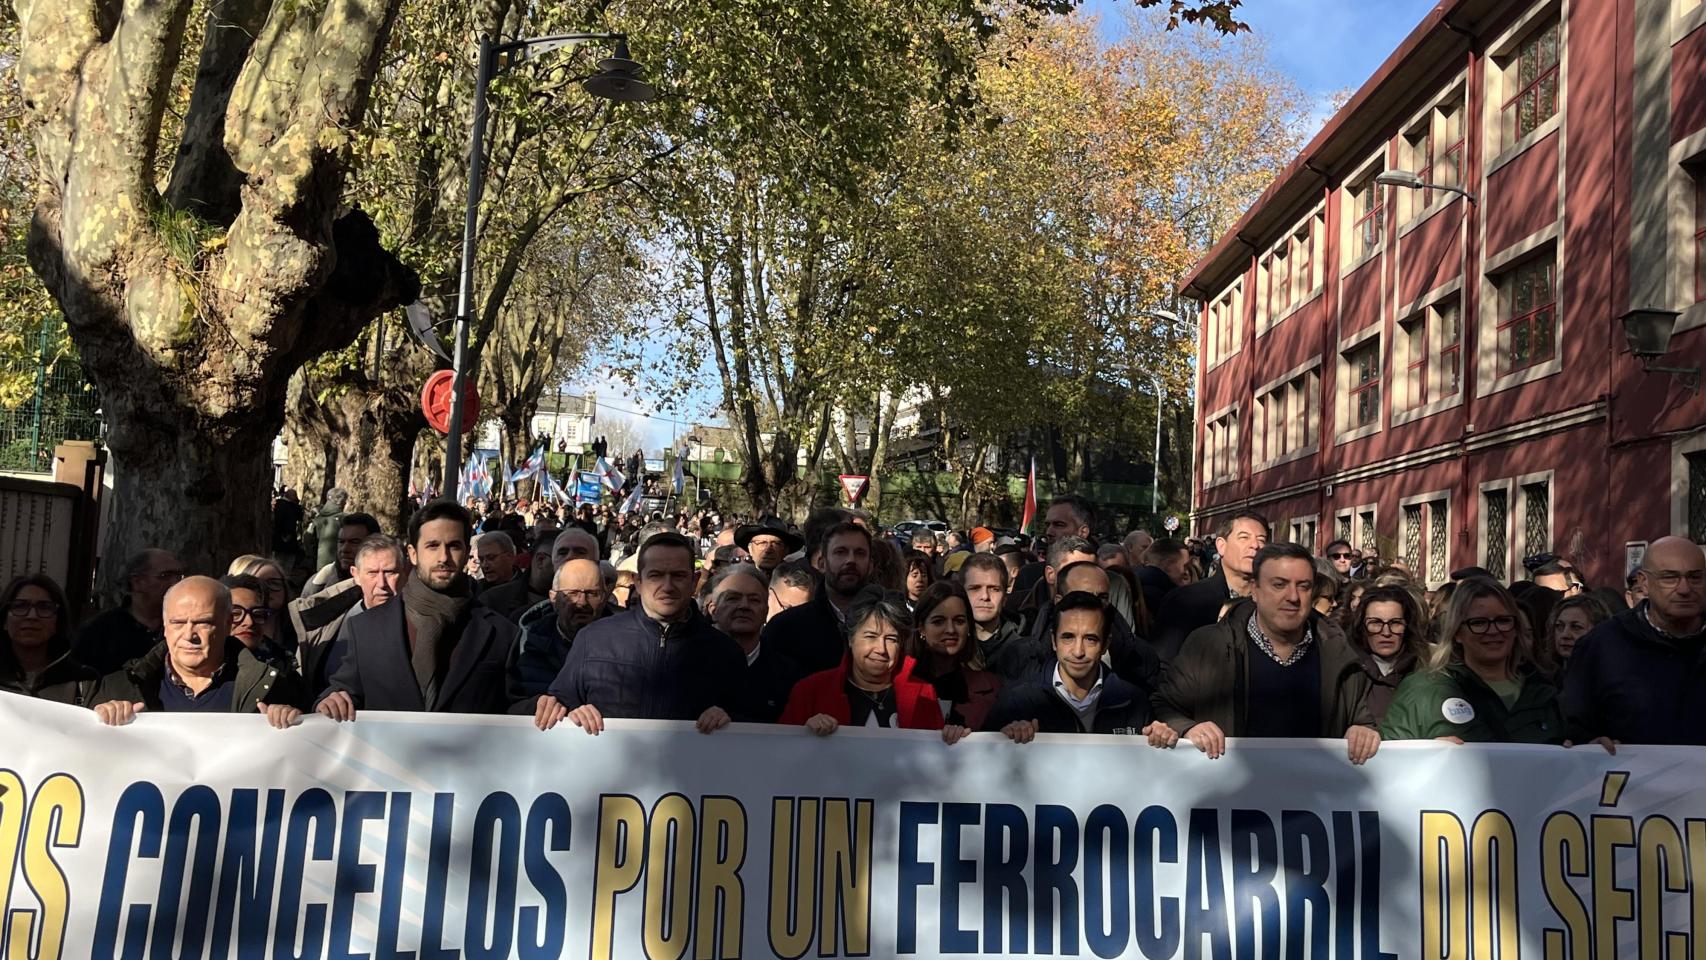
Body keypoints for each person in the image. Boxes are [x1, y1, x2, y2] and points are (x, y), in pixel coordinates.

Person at [1154, 542, 1379, 765]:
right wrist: (1188, 728)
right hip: (1231, 794)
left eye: (1303, 586)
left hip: (1316, 795)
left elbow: (1362, 719)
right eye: (1279, 585)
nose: (1293, 596)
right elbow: (1164, 706)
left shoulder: (1338, 650)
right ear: (1255, 590)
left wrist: (1363, 730)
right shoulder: (1209, 644)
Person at [315, 500, 520, 719]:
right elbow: (343, 692)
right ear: (413, 554)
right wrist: (329, 701)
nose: (443, 557)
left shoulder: (502, 633)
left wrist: (545, 705)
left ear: (468, 552)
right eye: (432, 546)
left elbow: (516, 706)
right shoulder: (366, 628)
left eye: (453, 546)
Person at [534, 533, 747, 735]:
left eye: (678, 576)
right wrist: (572, 713)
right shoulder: (593, 639)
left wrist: (730, 719)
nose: (667, 586)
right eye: (655, 575)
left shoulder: (725, 652)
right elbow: (559, 703)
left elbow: (754, 723)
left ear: (694, 581)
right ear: (638, 581)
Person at [89, 577, 307, 724]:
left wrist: (292, 723)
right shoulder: (120, 687)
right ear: (164, 625)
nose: (189, 635)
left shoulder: (274, 687)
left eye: (203, 623)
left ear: (227, 623)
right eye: (178, 622)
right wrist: (101, 720)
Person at [1380, 578, 1567, 745]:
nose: (1493, 631)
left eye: (1503, 620)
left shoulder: (1543, 690)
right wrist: (1425, 756)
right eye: (1478, 623)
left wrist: (1587, 748)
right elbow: (1391, 764)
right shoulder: (1423, 691)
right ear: (1457, 632)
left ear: (1515, 627)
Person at [1563, 536, 1705, 747]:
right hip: (1627, 777)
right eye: (1669, 578)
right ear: (1644, 583)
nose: (1684, 589)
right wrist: (1587, 744)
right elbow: (1572, 726)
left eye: (1695, 577)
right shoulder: (1602, 645)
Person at [990, 592, 1178, 742]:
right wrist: (1004, 736)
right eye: (1068, 637)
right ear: (1054, 641)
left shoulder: (1134, 701)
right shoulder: (1016, 702)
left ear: (1105, 644)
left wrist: (1158, 737)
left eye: (1090, 639)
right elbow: (983, 763)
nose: (1078, 651)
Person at [779, 592, 962, 741]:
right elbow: (780, 752)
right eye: (870, 636)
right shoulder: (810, 691)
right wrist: (803, 734)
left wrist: (954, 740)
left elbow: (936, 762)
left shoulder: (924, 693)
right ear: (851, 639)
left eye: (891, 639)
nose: (881, 649)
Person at [290, 535, 407, 697]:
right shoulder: (325, 621)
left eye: (390, 572)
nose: (381, 583)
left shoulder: (419, 623)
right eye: (372, 573)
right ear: (356, 575)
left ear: (405, 572)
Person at [1153, 511, 1269, 661]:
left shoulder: (1276, 603)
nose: (1254, 545)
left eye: (1261, 539)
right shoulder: (1185, 601)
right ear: (1221, 546)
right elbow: (1164, 664)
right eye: (1244, 538)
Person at [763, 522, 876, 673]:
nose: (851, 560)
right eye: (840, 552)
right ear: (822, 564)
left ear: (870, 565)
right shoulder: (786, 628)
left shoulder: (891, 625)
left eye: (860, 553)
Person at [707, 564, 803, 722]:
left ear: (765, 611)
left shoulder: (790, 675)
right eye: (733, 598)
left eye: (754, 600)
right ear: (713, 610)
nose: (744, 606)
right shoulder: (687, 664)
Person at [509, 558, 611, 706]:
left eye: (592, 593)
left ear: (603, 597)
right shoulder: (527, 644)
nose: (582, 602)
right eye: (572, 593)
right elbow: (511, 705)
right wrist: (538, 706)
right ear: (553, 598)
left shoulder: (624, 644)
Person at [907, 581, 1000, 730]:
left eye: (959, 621)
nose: (950, 629)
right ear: (921, 628)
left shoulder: (992, 687)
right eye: (938, 622)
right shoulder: (895, 684)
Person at [75, 548, 182, 675]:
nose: (176, 583)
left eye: (179, 576)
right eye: (165, 576)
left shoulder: (186, 627)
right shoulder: (99, 632)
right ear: (137, 582)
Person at [0, 574, 99, 704]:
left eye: (44, 607)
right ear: (4, 621)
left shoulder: (84, 681)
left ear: (58, 622)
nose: (32, 616)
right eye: (20, 606)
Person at [1345, 585, 1427, 724]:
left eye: (1395, 623)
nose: (1386, 632)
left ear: (1407, 626)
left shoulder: (1427, 670)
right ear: (1361, 625)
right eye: (1375, 623)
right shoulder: (1346, 673)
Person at [960, 554, 1025, 677]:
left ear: (1005, 597)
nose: (985, 596)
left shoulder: (1025, 648)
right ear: (961, 593)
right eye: (975, 588)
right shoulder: (947, 644)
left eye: (994, 589)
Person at [303, 511, 380, 597]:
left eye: (354, 542)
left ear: (375, 544)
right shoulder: (318, 584)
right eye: (341, 542)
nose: (344, 549)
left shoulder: (387, 584)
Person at [474, 531, 542, 620]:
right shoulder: (474, 590)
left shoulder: (529, 587)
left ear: (510, 556)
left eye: (491, 558)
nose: (485, 565)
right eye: (481, 559)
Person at [221, 574, 287, 664]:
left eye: (258, 614)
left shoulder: (283, 667)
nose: (249, 622)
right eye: (235, 613)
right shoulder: (200, 667)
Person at [1542, 595, 1612, 675]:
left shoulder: (1613, 679)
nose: (1565, 635)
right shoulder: (1543, 677)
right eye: (1559, 626)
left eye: (1576, 627)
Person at [735, 517, 802, 578]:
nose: (768, 550)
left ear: (786, 550)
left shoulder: (797, 582)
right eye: (761, 543)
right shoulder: (739, 580)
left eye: (776, 544)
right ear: (750, 548)